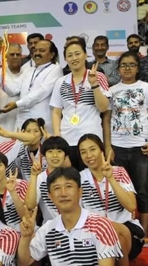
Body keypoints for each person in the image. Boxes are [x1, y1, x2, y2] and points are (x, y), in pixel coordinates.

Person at [17, 167, 129, 266]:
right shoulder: (48, 229)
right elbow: (24, 262)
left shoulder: (100, 225)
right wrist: (26, 237)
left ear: (80, 191)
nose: (63, 193)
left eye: (69, 186)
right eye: (57, 188)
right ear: (51, 196)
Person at [78, 134, 144, 266]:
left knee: (117, 235)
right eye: (83, 152)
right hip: (94, 234)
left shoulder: (119, 172)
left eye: (92, 149)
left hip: (126, 230)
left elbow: (131, 206)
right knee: (108, 233)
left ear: (102, 150)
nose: (89, 155)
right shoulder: (79, 178)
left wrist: (111, 179)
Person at [104, 51, 148, 247]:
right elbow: (107, 120)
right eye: (123, 65)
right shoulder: (112, 90)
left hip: (141, 146)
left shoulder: (146, 88)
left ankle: (143, 231)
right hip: (118, 147)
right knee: (118, 191)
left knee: (142, 189)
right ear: (118, 69)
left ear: (137, 68)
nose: (127, 68)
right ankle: (124, 229)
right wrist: (108, 147)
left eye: (131, 65)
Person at [50, 40, 111, 170]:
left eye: (77, 53)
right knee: (71, 181)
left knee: (92, 180)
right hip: (67, 140)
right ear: (65, 59)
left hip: (91, 139)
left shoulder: (98, 76)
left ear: (85, 55)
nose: (74, 58)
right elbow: (56, 111)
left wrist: (94, 84)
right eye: (70, 55)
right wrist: (57, 136)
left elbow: (103, 107)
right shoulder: (60, 82)